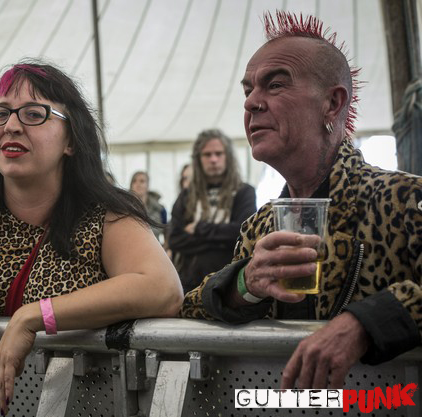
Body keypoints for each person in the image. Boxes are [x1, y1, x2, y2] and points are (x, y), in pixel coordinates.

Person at [0, 60, 183, 417]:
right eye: (1, 113)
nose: (11, 126)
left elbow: (163, 289)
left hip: (86, 403)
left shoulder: (106, 210)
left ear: (71, 139)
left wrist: (36, 317)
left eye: (33, 114)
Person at [181, 11, 422, 390]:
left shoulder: (406, 199)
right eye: (248, 91)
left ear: (332, 103)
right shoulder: (259, 226)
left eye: (275, 85)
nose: (251, 103)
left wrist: (364, 323)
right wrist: (244, 283)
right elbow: (189, 310)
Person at [168, 129, 257, 293]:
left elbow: (243, 234)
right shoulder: (186, 196)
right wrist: (221, 241)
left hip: (230, 285)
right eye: (207, 154)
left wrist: (199, 228)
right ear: (198, 159)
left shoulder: (244, 192)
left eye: (218, 153)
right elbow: (174, 239)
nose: (213, 159)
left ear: (228, 156)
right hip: (190, 284)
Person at [129, 171, 167, 241]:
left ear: (148, 185)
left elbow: (166, 232)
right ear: (131, 185)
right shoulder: (125, 208)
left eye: (142, 181)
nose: (138, 184)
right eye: (134, 181)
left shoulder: (160, 209)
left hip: (154, 246)